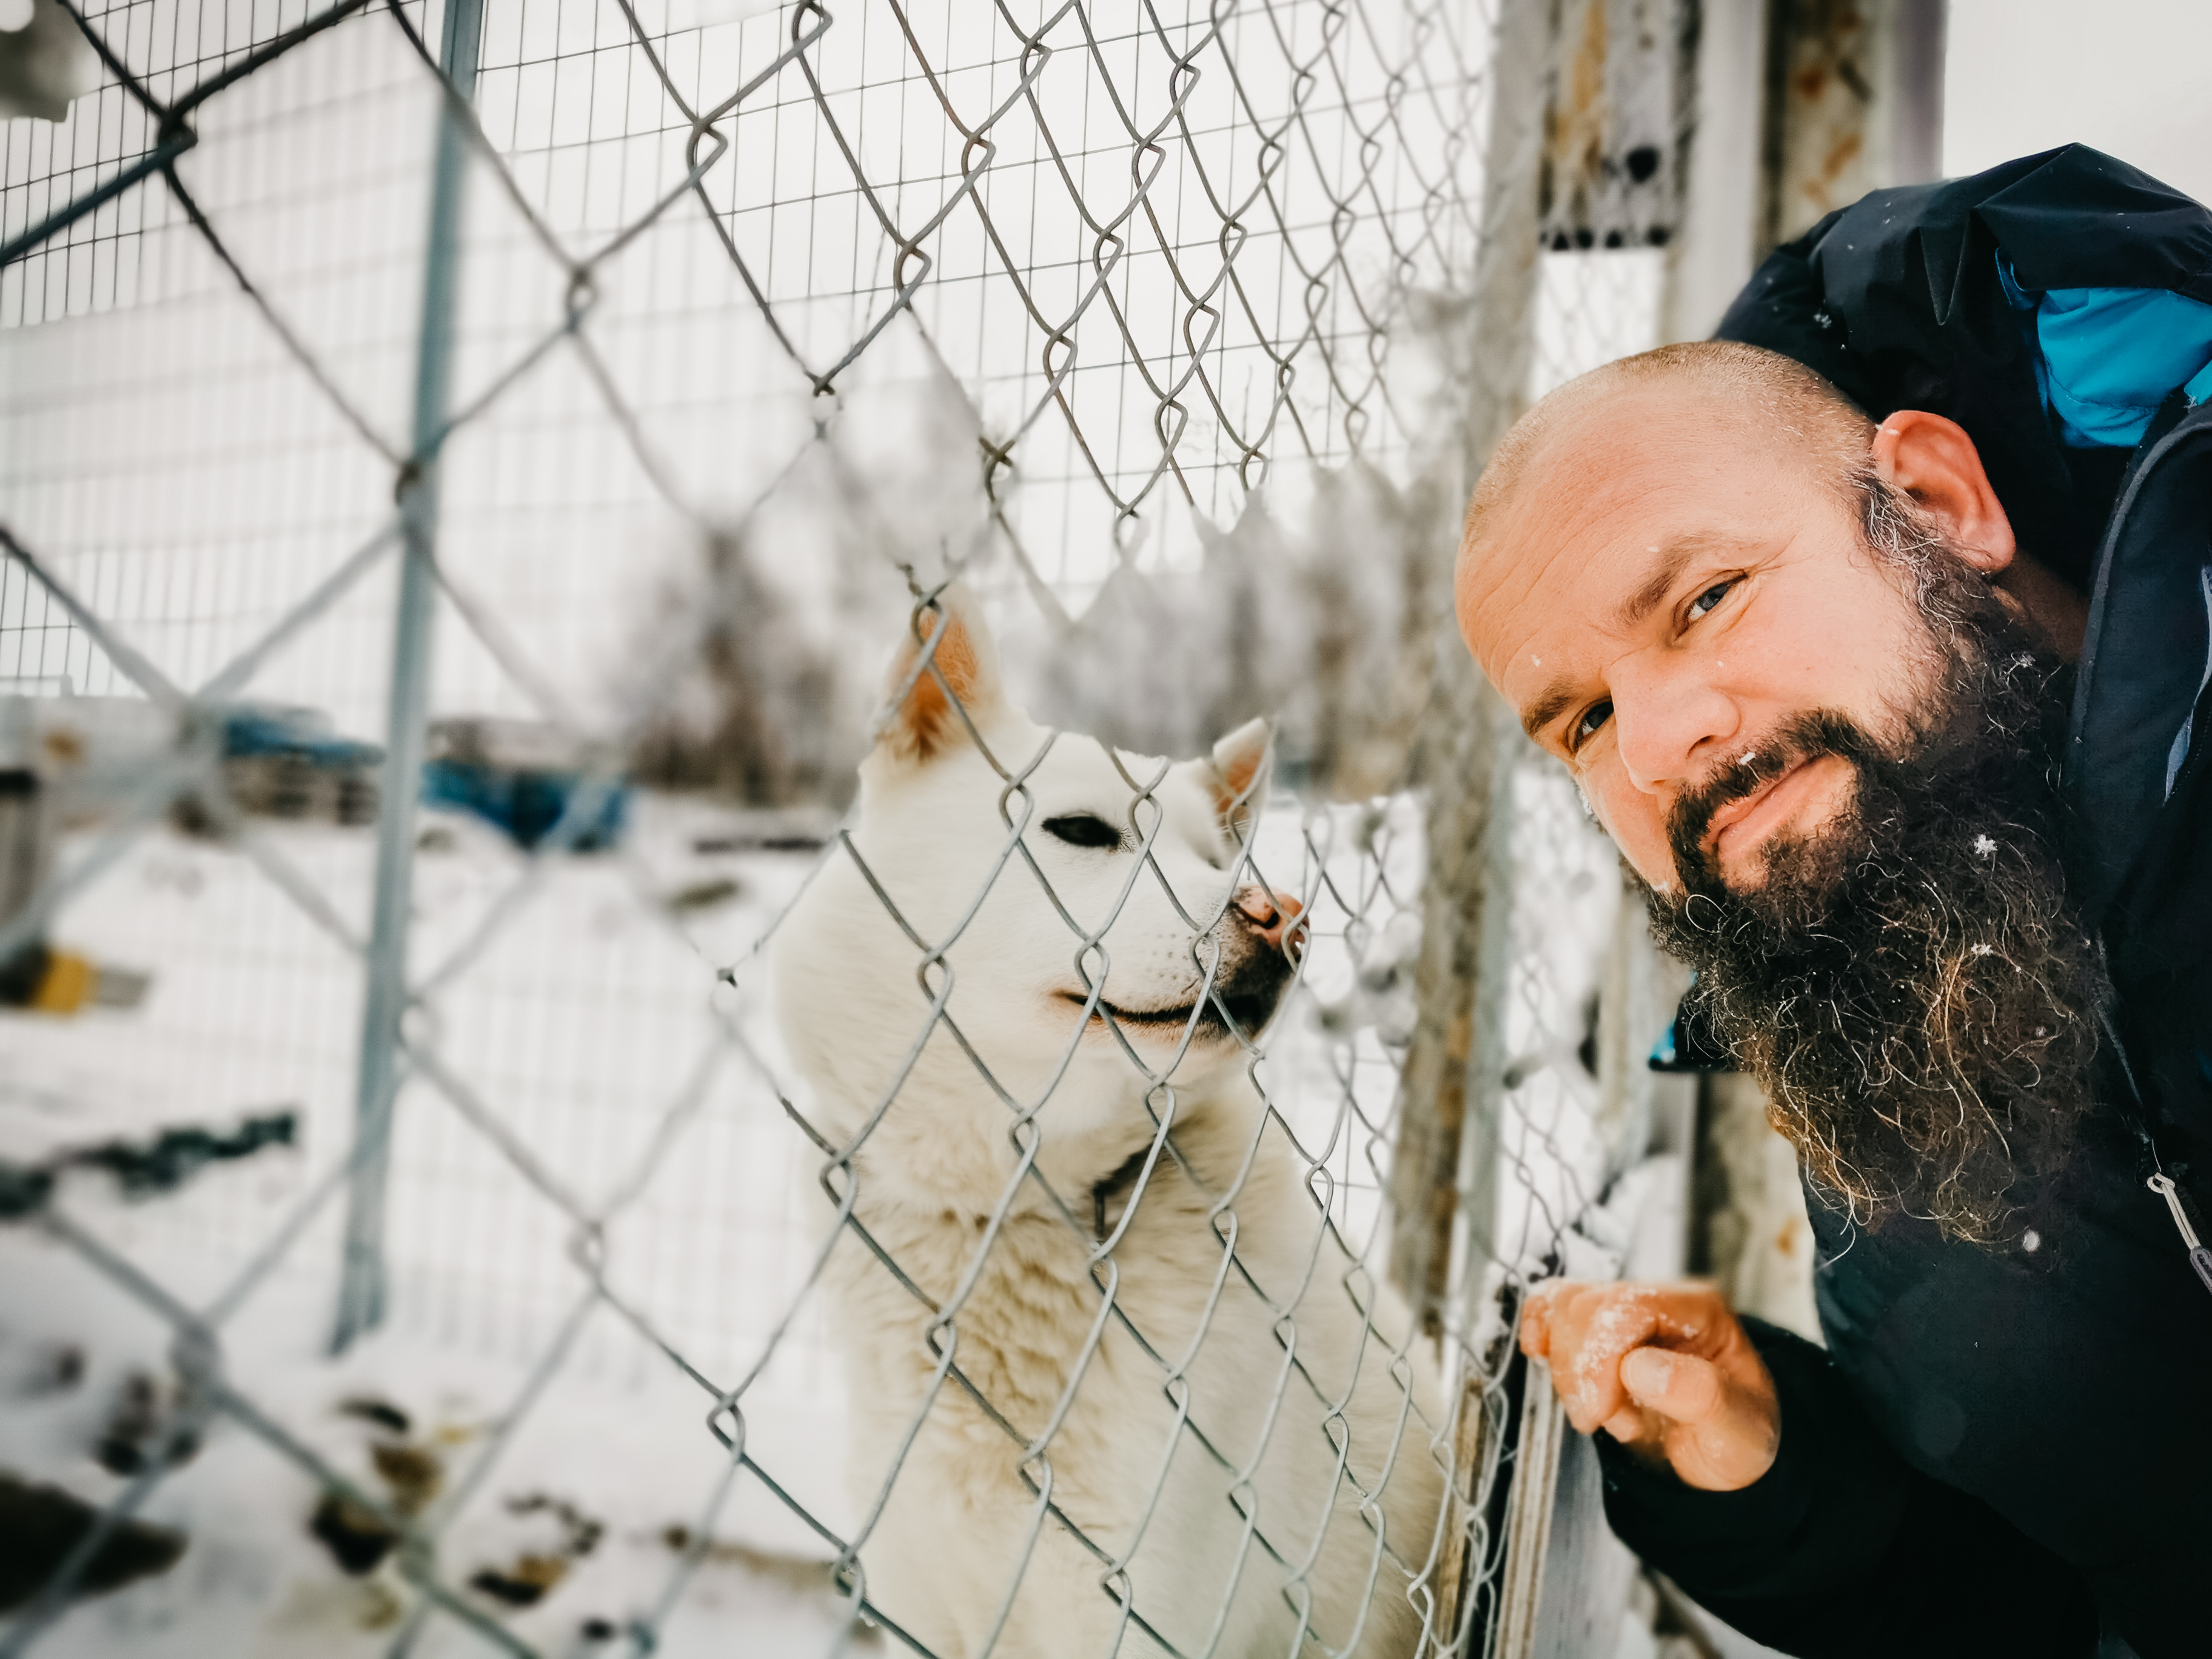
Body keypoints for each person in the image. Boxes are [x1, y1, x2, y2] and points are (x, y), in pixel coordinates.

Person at [1452, 146, 2212, 1658]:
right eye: (1585, 721)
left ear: (1935, 502)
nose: (1660, 742)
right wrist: (1786, 1484)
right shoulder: (1890, 1107)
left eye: (1706, 599)